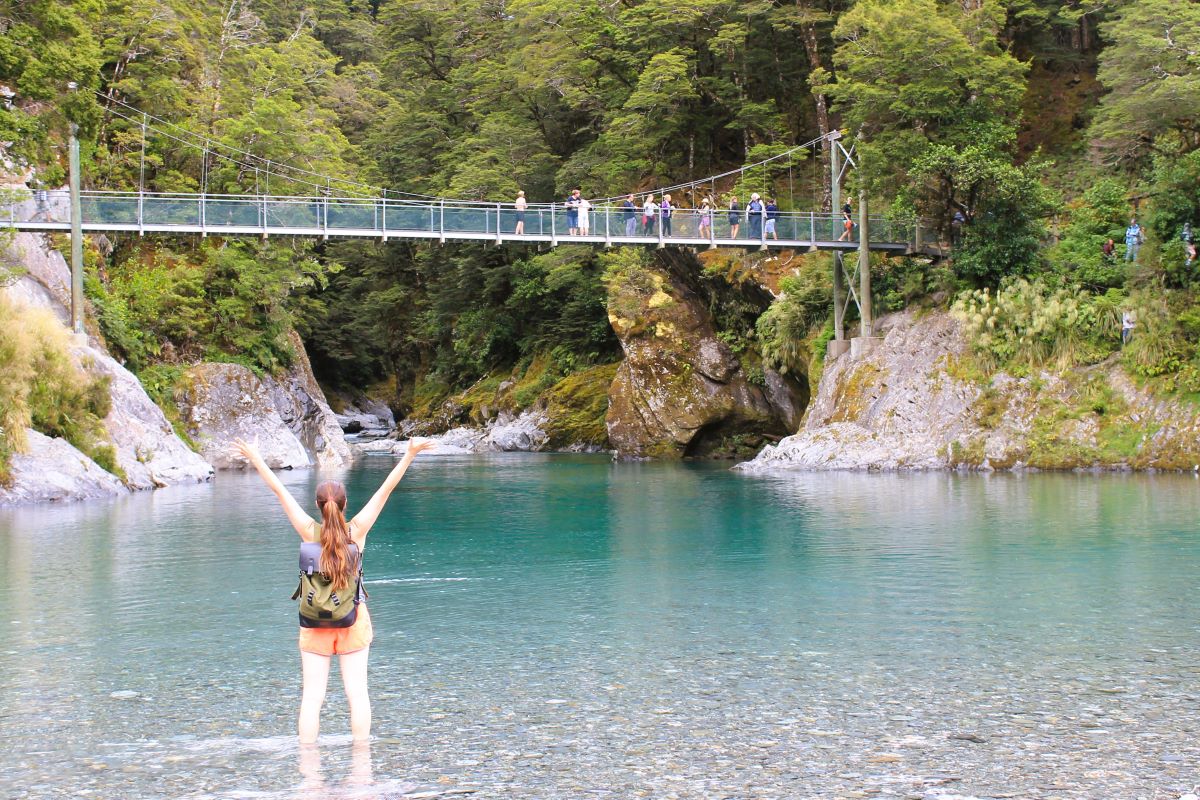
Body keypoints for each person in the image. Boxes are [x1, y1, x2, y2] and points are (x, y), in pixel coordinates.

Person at [233, 436, 435, 743]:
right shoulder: (357, 531)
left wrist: (255, 456)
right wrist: (409, 454)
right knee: (358, 695)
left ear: (318, 505)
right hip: (352, 619)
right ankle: (360, 770)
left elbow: (279, 491)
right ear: (344, 505)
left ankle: (310, 775)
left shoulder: (307, 530)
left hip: (314, 623)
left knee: (312, 699)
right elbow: (385, 491)